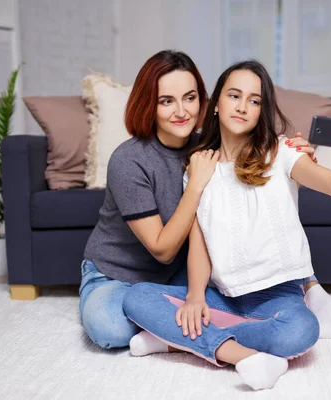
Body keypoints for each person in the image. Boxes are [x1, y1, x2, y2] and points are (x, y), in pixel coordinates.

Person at [123, 60, 331, 391]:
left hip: (279, 294)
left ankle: (177, 340)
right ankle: (242, 354)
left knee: (301, 332)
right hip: (224, 295)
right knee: (136, 298)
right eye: (234, 96)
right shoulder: (199, 167)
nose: (243, 107)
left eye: (254, 100)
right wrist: (194, 297)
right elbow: (200, 243)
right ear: (216, 103)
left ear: (262, 111)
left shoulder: (281, 153)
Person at [79, 50, 317, 350]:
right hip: (117, 275)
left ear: (204, 101)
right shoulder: (129, 160)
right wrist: (195, 185)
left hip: (179, 274)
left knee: (218, 301)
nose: (181, 111)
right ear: (149, 105)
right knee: (113, 329)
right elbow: (163, 250)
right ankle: (209, 344)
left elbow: (264, 198)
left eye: (189, 98)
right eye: (167, 101)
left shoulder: (209, 145)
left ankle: (167, 335)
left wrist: (298, 154)